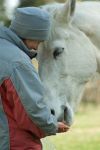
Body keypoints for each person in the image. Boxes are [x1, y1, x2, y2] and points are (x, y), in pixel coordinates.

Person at [0, 7, 69, 150]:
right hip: (13, 143)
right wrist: (52, 125)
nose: (37, 48)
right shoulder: (17, 62)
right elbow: (30, 110)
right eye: (39, 41)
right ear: (30, 34)